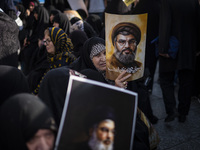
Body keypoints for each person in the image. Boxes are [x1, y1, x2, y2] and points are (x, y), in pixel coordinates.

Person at [158, 0, 200, 122]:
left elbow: (165, 23)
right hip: (189, 47)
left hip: (171, 47)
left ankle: (171, 110)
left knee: (165, 79)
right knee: (186, 81)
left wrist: (163, 48)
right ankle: (183, 113)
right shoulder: (193, 1)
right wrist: (197, 47)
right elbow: (198, 24)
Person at [32, 27, 76, 94]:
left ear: (58, 41)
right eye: (45, 41)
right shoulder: (54, 57)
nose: (46, 44)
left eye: (49, 41)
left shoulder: (65, 60)